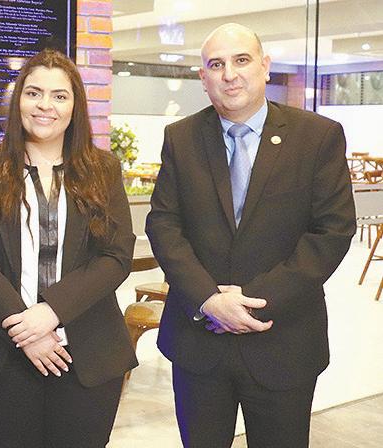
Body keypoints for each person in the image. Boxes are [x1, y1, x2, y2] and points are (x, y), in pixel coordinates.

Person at [146, 23, 355, 447]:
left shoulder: (318, 136)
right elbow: (164, 225)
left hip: (283, 342)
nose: (230, 74)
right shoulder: (181, 138)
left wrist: (251, 302)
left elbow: (331, 233)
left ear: (265, 66)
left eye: (241, 60)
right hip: (198, 342)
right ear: (203, 78)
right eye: (216, 65)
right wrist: (209, 300)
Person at [0, 49, 137, 447]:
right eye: (34, 93)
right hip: (2, 349)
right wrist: (25, 329)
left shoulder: (103, 170)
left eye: (59, 96)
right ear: (18, 100)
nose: (45, 105)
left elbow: (116, 256)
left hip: (86, 351)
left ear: (75, 106)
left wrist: (51, 312)